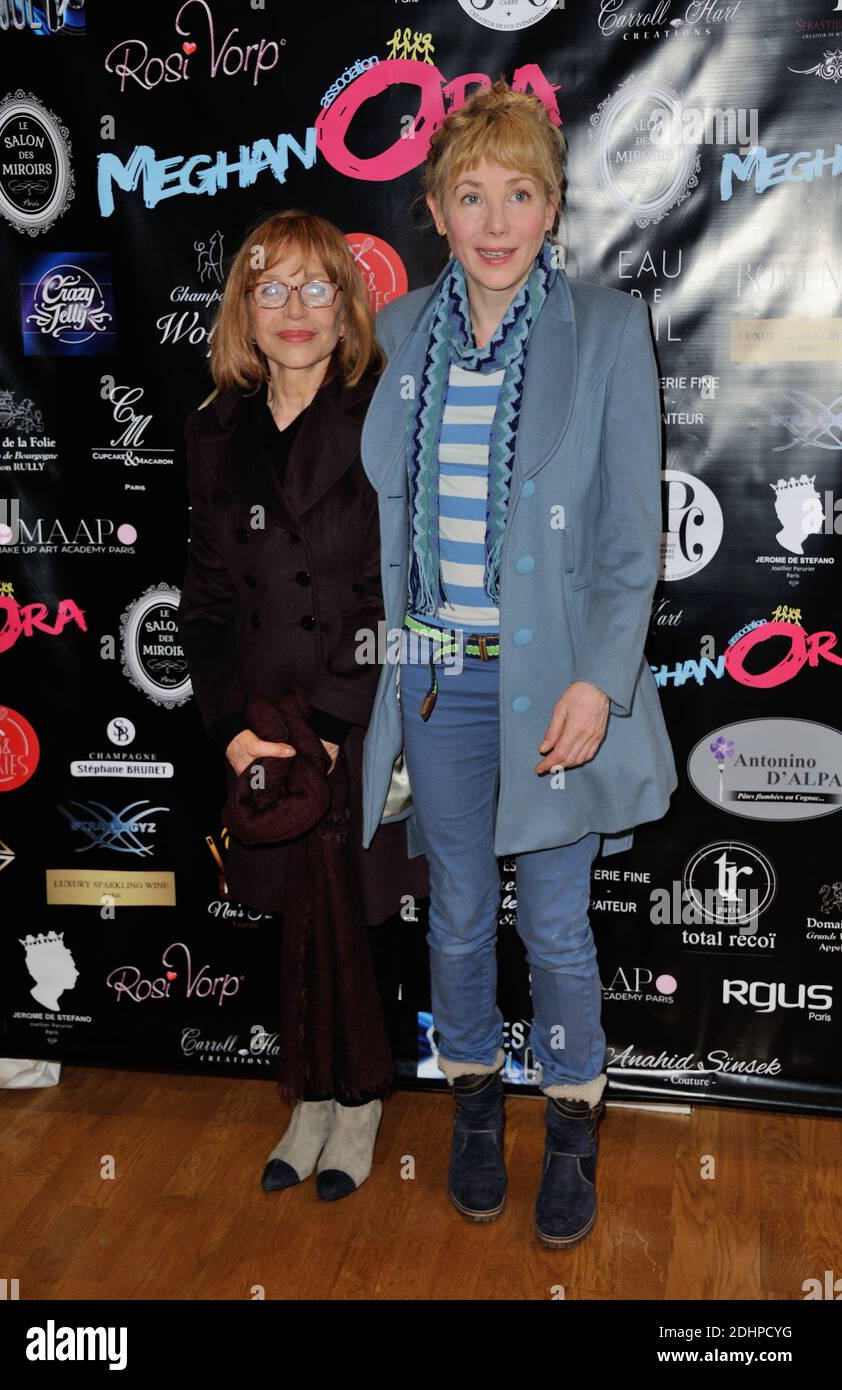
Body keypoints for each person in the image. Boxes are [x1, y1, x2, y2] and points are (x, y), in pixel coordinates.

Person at [359, 81, 677, 1247]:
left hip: (552, 688)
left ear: (551, 208)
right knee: (451, 920)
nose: (494, 220)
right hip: (436, 684)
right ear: (435, 209)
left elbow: (624, 534)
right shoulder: (393, 338)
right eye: (470, 194)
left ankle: (575, 1124)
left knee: (551, 926)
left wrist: (597, 676)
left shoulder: (602, 329)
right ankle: (475, 1108)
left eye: (520, 193)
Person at [177, 209, 428, 1203]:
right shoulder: (211, 427)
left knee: (357, 920)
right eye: (268, 287)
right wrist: (232, 725)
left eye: (314, 287)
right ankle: (306, 1098)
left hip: (351, 721)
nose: (291, 308)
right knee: (290, 920)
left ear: (344, 305)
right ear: (243, 305)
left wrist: (323, 725)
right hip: (258, 727)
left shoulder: (378, 416)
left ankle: (357, 1101)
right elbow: (201, 596)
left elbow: (383, 587)